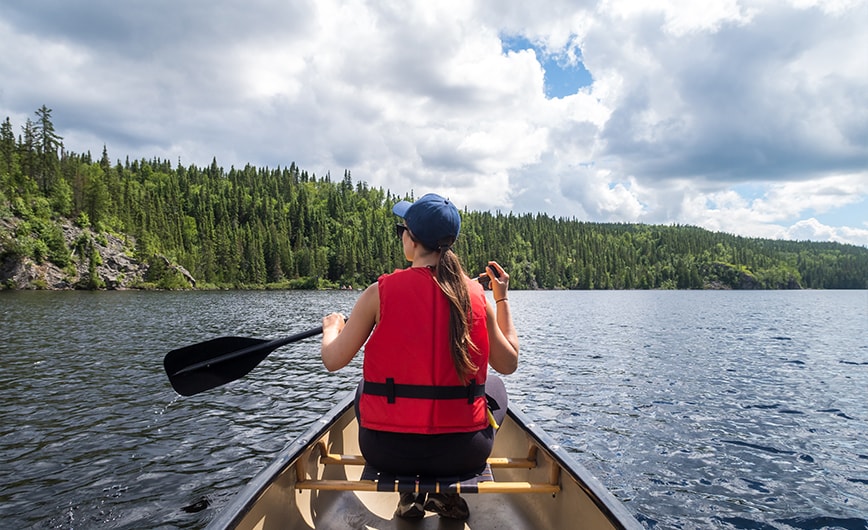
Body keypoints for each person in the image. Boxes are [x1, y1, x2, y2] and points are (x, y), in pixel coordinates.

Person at [320, 193, 519, 521]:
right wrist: (502, 300)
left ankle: (411, 494)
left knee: (364, 388)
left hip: (387, 452)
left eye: (403, 231)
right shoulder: (476, 297)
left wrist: (333, 327)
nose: (402, 237)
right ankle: (446, 497)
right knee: (495, 385)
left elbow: (333, 360)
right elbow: (508, 363)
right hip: (463, 454)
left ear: (411, 241)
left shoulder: (378, 293)